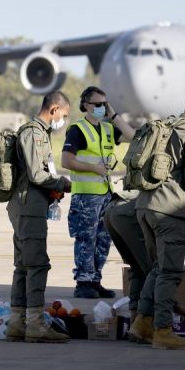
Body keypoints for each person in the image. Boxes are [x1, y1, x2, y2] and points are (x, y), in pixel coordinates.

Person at [131, 94, 185, 350]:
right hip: (170, 209)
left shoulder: (165, 127)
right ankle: (163, 330)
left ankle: (142, 323)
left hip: (144, 205)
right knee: (171, 272)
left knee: (158, 268)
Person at [4, 91, 72, 343]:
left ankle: (17, 322)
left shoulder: (40, 132)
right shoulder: (33, 133)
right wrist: (62, 183)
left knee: (23, 265)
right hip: (27, 206)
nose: (62, 121)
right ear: (53, 109)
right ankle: (34, 324)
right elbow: (36, 174)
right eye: (63, 115)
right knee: (36, 264)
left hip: (28, 204)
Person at [61, 87, 134, 299]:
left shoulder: (108, 129)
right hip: (86, 196)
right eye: (97, 104)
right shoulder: (78, 129)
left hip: (105, 194)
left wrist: (114, 115)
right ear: (85, 105)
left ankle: (95, 279)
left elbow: (133, 136)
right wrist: (94, 168)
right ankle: (83, 282)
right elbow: (67, 160)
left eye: (104, 104)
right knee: (86, 239)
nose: (101, 108)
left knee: (103, 239)